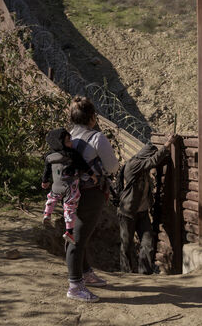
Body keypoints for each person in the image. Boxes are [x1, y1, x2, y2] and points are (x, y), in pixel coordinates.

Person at [65, 96, 120, 302]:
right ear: (92, 118)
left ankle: (85, 272)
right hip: (90, 193)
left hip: (70, 192)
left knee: (79, 232)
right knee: (78, 237)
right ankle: (75, 285)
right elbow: (113, 167)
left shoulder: (68, 137)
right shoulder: (97, 138)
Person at [116, 135, 176, 274]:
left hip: (142, 213)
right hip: (127, 212)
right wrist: (167, 145)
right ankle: (127, 274)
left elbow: (154, 162)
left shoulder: (143, 169)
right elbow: (153, 161)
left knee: (148, 243)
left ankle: (145, 273)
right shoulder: (134, 164)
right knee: (126, 245)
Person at [41, 128, 99, 245]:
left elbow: (46, 170)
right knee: (70, 208)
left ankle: (47, 214)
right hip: (70, 187)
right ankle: (69, 232)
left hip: (56, 186)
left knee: (51, 198)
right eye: (68, 141)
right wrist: (93, 175)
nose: (71, 143)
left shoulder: (49, 156)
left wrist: (45, 181)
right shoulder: (72, 154)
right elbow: (83, 165)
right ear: (60, 142)